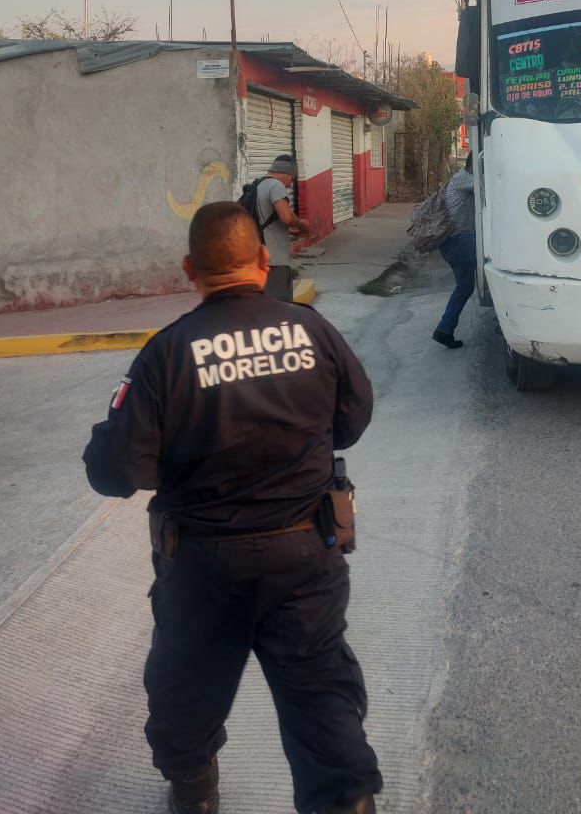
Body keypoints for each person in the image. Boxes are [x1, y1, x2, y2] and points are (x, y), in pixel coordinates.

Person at [83, 202, 382, 814]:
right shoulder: (312, 330)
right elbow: (351, 422)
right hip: (305, 555)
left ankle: (194, 790)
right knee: (321, 695)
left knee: (184, 693)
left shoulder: (166, 353)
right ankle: (345, 801)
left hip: (202, 568)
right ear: (262, 260)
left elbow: (116, 473)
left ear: (190, 269)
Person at [432, 152, 476, 350]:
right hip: (460, 241)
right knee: (499, 263)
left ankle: (445, 330)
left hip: (453, 242)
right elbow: (492, 186)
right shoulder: (465, 180)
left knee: (464, 288)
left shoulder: (457, 178)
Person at [256, 153, 309, 302]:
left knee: (264, 303)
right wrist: (301, 224)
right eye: (292, 178)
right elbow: (286, 217)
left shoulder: (258, 185)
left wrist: (290, 230)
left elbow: (265, 221)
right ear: (286, 173)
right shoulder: (276, 185)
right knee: (280, 305)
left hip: (259, 256)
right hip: (276, 259)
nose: (291, 184)